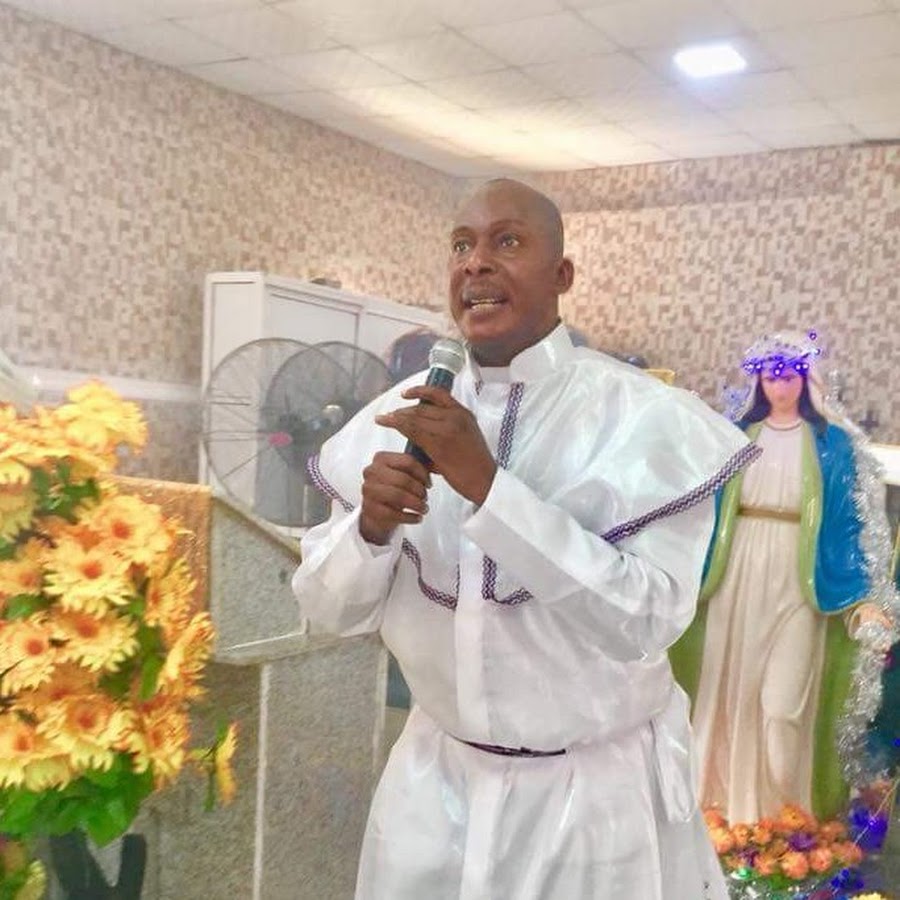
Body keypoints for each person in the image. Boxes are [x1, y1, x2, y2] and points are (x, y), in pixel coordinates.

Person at [292, 178, 758, 899]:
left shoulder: (649, 422)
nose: (475, 263)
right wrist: (370, 531)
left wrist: (490, 488)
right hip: (432, 792)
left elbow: (645, 621)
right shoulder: (395, 418)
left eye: (506, 241)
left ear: (562, 274)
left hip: (591, 806)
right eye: (461, 245)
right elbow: (327, 612)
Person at [670, 332, 893, 825]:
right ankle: (726, 808)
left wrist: (861, 598)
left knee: (783, 707)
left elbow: (848, 523)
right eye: (771, 376)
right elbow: (697, 509)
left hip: (800, 577)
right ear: (758, 383)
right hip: (737, 570)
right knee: (730, 693)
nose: (780, 385)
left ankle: (784, 814)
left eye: (790, 375)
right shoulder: (734, 437)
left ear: (807, 382)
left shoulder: (832, 446)